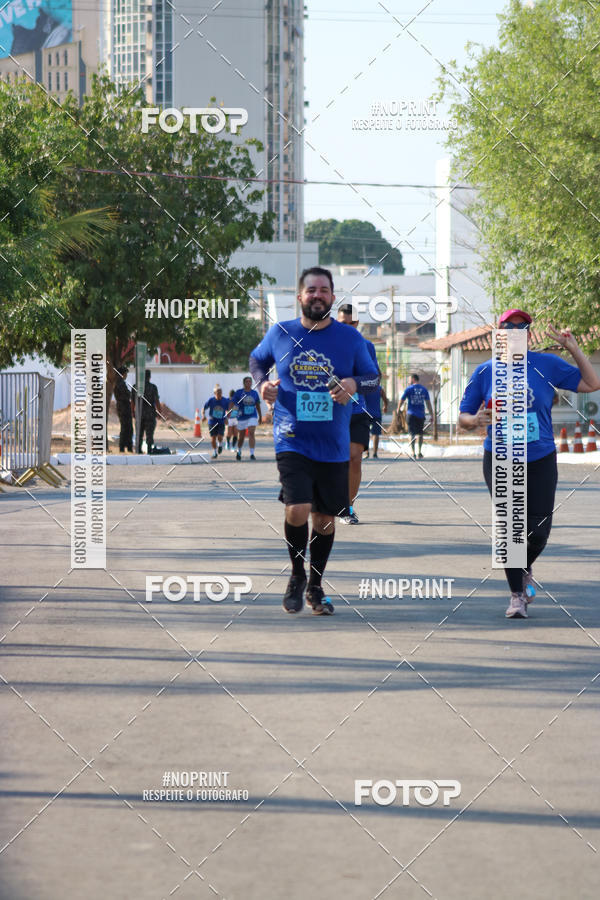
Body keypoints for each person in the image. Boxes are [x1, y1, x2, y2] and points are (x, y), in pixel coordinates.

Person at [249, 266, 379, 615]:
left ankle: (316, 585)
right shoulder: (281, 333)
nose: (317, 295)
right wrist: (263, 384)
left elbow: (372, 378)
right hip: (291, 437)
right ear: (300, 296)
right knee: (297, 508)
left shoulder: (351, 340)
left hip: (333, 443)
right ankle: (296, 574)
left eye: (324, 290)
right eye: (311, 290)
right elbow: (257, 360)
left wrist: (353, 384)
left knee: (324, 521)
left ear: (332, 297)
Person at [458, 309, 600, 619]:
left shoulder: (546, 364)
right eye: (508, 328)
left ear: (529, 334)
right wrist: (476, 419)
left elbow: (592, 384)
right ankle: (517, 596)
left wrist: (573, 348)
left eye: (522, 328)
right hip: (499, 457)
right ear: (499, 334)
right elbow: (462, 418)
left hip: (540, 457)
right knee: (511, 531)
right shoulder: (485, 371)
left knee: (538, 531)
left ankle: (523, 566)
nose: (515, 332)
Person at [336, 303, 382, 524]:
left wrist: (357, 383)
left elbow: (374, 379)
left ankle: (348, 507)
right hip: (332, 412)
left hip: (358, 409)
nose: (347, 326)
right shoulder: (328, 345)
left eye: (351, 323)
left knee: (355, 459)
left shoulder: (367, 346)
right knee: (336, 461)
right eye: (342, 323)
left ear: (357, 324)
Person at [398, 374, 433, 458]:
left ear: (413, 379)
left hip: (411, 414)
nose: (409, 381)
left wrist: (398, 409)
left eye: (409, 379)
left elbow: (402, 399)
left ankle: (413, 452)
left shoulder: (409, 389)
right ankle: (419, 452)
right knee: (420, 433)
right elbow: (428, 403)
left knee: (411, 433)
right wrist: (432, 414)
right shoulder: (424, 389)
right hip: (420, 414)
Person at [131, 370, 163, 454]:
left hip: (139, 414)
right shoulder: (153, 387)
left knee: (139, 434)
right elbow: (157, 401)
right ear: (149, 377)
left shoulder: (135, 387)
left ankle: (138, 450)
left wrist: (133, 412)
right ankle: (149, 450)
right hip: (150, 415)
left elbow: (132, 402)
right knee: (149, 435)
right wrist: (160, 412)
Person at [231, 376, 262, 461]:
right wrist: (233, 415)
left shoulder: (254, 393)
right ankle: (239, 451)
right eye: (247, 382)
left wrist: (260, 416)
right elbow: (234, 404)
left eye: (250, 382)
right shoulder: (239, 393)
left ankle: (252, 453)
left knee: (251, 433)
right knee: (241, 436)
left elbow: (258, 405)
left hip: (252, 415)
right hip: (242, 417)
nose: (248, 383)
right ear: (244, 383)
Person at [202, 384, 227, 458]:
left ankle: (220, 445)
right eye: (218, 392)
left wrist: (227, 418)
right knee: (213, 438)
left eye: (220, 392)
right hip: (212, 422)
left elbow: (228, 410)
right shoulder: (211, 400)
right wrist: (203, 416)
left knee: (220, 436)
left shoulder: (224, 400)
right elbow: (204, 408)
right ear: (214, 393)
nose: (219, 394)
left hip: (221, 422)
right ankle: (215, 452)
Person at [113, 365, 133, 453]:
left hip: (123, 406)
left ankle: (127, 447)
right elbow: (126, 394)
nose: (126, 376)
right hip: (123, 407)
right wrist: (131, 393)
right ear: (122, 374)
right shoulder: (120, 383)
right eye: (125, 374)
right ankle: (124, 447)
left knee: (127, 427)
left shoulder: (119, 382)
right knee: (126, 428)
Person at [367, 384, 388, 459]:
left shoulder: (365, 387)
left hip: (366, 413)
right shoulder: (379, 388)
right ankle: (375, 453)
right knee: (376, 434)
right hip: (377, 414)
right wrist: (385, 406)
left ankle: (367, 452)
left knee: (366, 433)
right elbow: (385, 399)